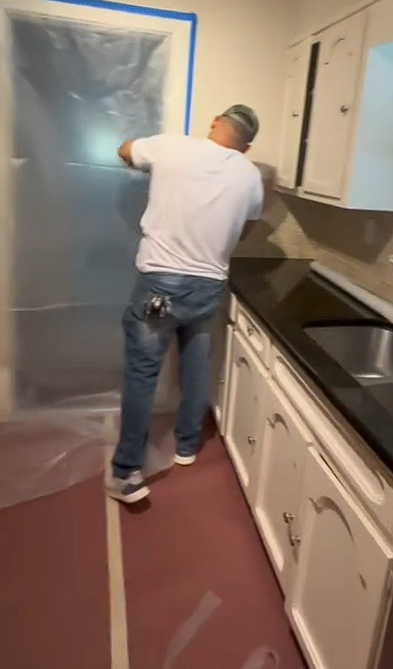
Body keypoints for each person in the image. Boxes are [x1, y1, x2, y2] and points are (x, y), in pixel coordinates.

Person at [106, 105, 263, 504]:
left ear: (215, 123)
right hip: (209, 284)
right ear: (247, 146)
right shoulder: (249, 175)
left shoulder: (171, 146)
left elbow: (126, 149)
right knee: (196, 360)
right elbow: (245, 231)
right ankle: (187, 446)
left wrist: (138, 159)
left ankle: (125, 473)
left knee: (143, 371)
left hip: (161, 283)